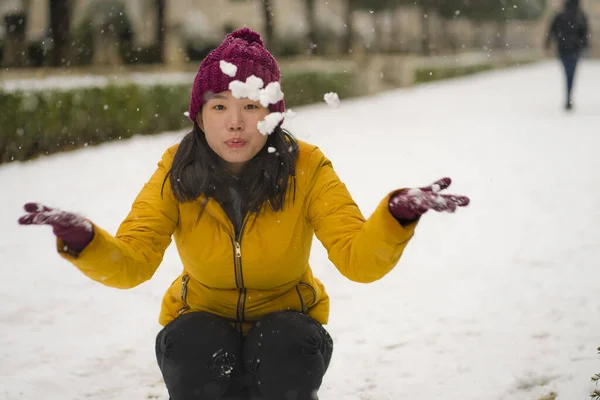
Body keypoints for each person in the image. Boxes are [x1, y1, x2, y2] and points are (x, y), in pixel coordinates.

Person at [18, 27, 470, 400]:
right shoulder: (175, 169)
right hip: (202, 324)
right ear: (199, 115)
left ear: (272, 114)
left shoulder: (306, 167)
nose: (234, 122)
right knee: (194, 343)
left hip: (287, 330)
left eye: (250, 106)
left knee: (285, 343)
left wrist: (396, 215)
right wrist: (83, 240)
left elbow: (357, 258)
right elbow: (133, 261)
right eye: (220, 106)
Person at [545, 0, 590, 111]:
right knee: (571, 74)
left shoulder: (560, 16)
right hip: (575, 49)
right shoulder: (580, 16)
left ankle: (568, 97)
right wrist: (584, 46)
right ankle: (569, 97)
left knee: (567, 73)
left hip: (563, 49)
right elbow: (585, 34)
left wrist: (548, 42)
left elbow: (551, 30)